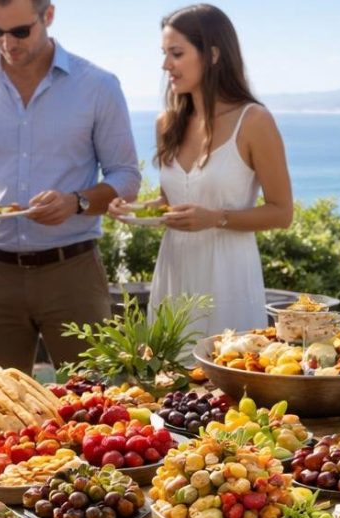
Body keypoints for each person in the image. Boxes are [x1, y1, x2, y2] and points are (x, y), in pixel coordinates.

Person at [0, 0, 140, 372]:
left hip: (73, 272)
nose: (7, 44)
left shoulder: (98, 85)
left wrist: (76, 202)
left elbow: (126, 177)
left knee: (93, 401)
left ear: (48, 16)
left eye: (19, 31)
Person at [111, 4, 293, 335]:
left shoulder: (253, 121)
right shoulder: (166, 123)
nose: (165, 64)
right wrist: (133, 210)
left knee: (231, 375)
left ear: (212, 54)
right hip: (174, 275)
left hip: (228, 282)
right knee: (169, 380)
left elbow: (282, 213)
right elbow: (171, 201)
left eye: (176, 53)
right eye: (164, 53)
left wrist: (216, 218)